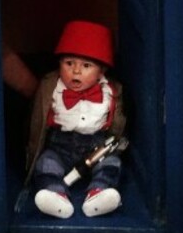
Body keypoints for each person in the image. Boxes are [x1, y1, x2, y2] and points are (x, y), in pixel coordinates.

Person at [26, 20, 126, 219]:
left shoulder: (111, 91)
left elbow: (118, 123)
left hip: (96, 147)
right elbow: (36, 121)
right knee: (46, 163)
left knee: (112, 164)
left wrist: (115, 144)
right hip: (60, 145)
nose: (76, 71)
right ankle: (56, 194)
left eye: (86, 65)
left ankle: (97, 194)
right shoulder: (51, 87)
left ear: (102, 71)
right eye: (69, 63)